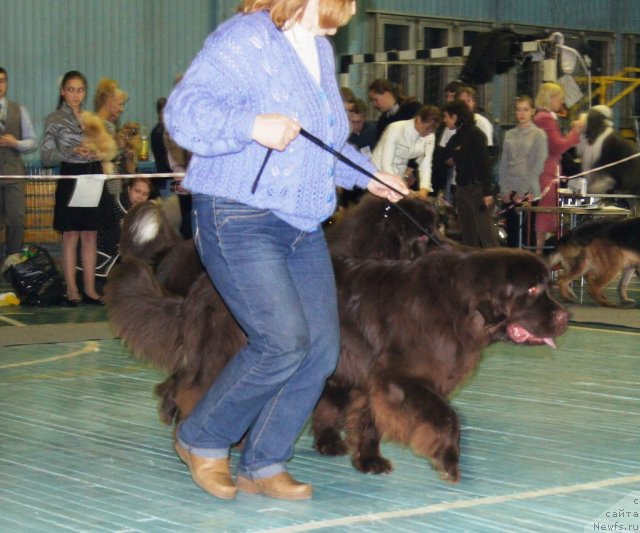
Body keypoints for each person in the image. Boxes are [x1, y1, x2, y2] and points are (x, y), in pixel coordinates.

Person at [163, 0, 408, 502]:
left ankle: (264, 460)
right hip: (238, 215)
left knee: (320, 350)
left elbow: (326, 144)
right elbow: (183, 114)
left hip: (300, 224)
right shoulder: (243, 38)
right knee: (282, 342)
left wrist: (371, 176)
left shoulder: (318, 49)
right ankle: (200, 437)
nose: (353, 6)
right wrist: (250, 124)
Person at [40, 70, 105, 305]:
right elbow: (46, 156)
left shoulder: (93, 119)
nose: (75, 95)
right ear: (62, 92)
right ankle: (72, 289)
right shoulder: (54, 119)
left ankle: (90, 289)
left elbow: (106, 148)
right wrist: (72, 151)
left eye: (80, 90)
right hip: (71, 175)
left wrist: (96, 151)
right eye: (70, 89)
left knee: (90, 234)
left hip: (93, 174)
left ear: (84, 92)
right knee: (70, 235)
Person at [533, 82, 583, 254]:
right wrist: (575, 132)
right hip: (546, 173)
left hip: (547, 172)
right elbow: (557, 147)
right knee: (544, 217)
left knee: (545, 216)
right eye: (560, 99)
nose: (561, 103)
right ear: (551, 99)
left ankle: (541, 254)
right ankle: (540, 256)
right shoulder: (545, 119)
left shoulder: (541, 118)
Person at [442, 99, 498, 247]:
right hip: (462, 189)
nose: (445, 121)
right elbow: (445, 155)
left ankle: (496, 266)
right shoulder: (457, 136)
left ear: (454, 117)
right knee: (467, 234)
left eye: (446, 117)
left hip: (477, 189)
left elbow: (484, 164)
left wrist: (487, 192)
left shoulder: (475, 134)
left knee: (486, 233)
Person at [80, 177, 153, 281]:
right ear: (128, 189)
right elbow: (106, 238)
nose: (140, 197)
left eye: (145, 194)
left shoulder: (142, 212)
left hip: (115, 258)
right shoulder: (115, 206)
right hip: (99, 259)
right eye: (137, 191)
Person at [498, 95, 547, 247]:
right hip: (510, 191)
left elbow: (537, 166)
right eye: (518, 110)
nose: (522, 113)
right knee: (512, 234)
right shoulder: (509, 134)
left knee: (526, 235)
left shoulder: (539, 134)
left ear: (532, 111)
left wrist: (521, 192)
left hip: (529, 192)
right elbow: (503, 164)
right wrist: (504, 189)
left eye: (525, 110)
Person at [0, 67, 36, 260]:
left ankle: (12, 261)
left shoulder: (19, 110)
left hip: (14, 174)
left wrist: (16, 143)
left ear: (7, 83)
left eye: (2, 80)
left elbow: (32, 141)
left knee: (16, 219)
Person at [371, 105, 441, 195]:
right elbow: (386, 163)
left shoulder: (430, 135)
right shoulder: (395, 128)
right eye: (427, 128)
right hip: (379, 171)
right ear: (418, 119)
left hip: (399, 172)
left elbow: (426, 164)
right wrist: (399, 186)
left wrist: (424, 188)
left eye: (433, 130)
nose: (429, 133)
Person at [94, 78, 128, 193]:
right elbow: (104, 156)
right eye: (120, 104)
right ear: (109, 102)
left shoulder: (110, 126)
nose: (122, 109)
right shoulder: (100, 126)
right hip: (105, 188)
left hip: (111, 185)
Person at [368, 78, 422, 145]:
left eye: (376, 100)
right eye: (372, 101)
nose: (374, 104)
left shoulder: (412, 108)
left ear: (387, 93)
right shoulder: (383, 119)